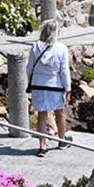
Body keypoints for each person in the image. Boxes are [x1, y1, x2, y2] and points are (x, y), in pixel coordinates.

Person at [27, 20, 72, 158]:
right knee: (60, 112)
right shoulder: (61, 48)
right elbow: (64, 71)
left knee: (42, 115)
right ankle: (62, 140)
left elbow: (29, 68)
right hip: (55, 85)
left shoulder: (35, 47)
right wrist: (68, 88)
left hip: (38, 85)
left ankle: (42, 145)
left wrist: (31, 80)